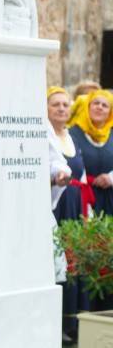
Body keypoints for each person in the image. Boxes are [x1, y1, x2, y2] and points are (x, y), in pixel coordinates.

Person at [47, 86, 91, 343]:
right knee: (59, 263)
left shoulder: (73, 135)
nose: (62, 109)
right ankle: (57, 321)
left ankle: (74, 321)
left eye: (65, 105)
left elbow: (81, 172)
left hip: (76, 203)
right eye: (56, 105)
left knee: (76, 261)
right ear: (46, 109)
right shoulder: (45, 135)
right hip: (59, 204)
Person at [68, 88, 113, 310]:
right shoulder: (74, 134)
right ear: (87, 106)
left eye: (105, 105)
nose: (99, 108)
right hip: (84, 201)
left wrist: (111, 178)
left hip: (111, 200)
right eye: (95, 103)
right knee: (87, 253)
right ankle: (86, 310)